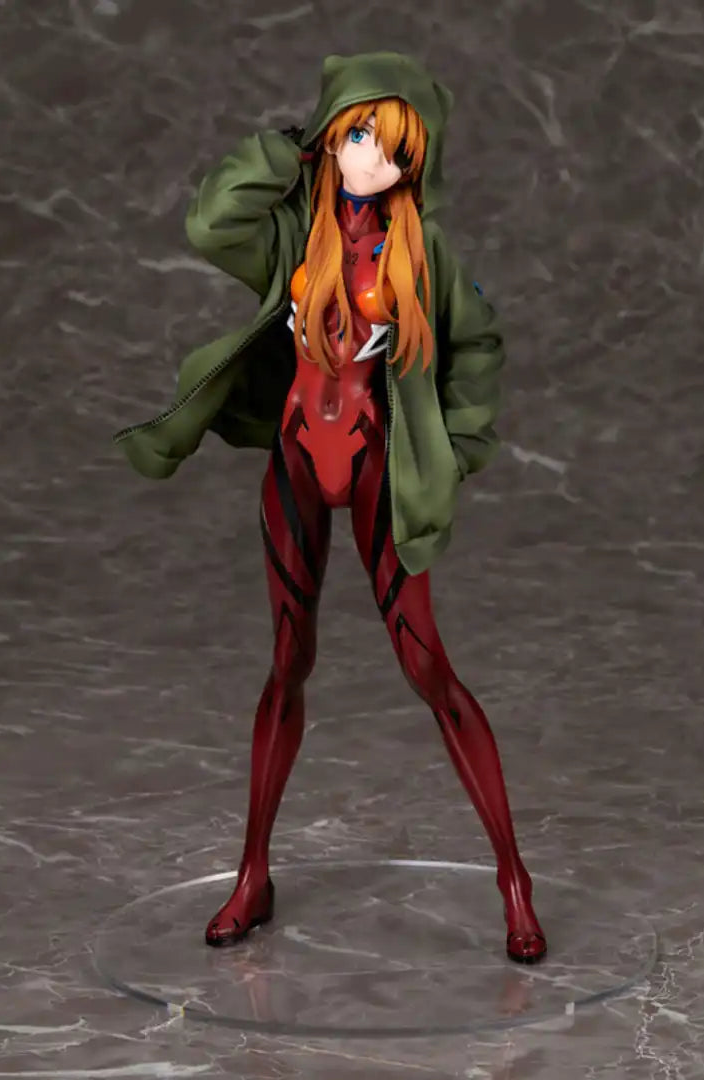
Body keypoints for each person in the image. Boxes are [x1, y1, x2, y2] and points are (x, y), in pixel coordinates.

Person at [113, 51, 547, 964]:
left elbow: (480, 343)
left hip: (381, 467)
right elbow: (210, 222)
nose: (371, 160)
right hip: (297, 463)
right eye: (356, 136)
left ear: (413, 163)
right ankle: (253, 874)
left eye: (393, 148)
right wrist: (289, 148)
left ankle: (514, 881)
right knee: (287, 661)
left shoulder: (424, 251)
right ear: (330, 137)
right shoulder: (294, 236)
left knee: (428, 668)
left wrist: (457, 448)